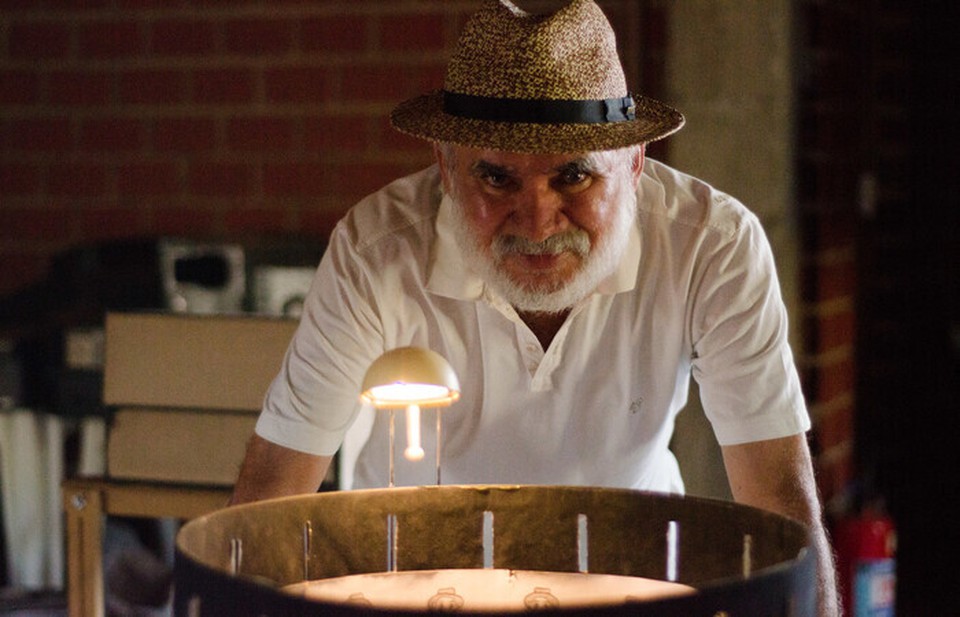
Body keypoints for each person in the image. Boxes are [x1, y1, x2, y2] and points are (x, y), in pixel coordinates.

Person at [231, 0, 840, 614]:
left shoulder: (712, 244)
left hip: (630, 583)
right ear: (444, 166)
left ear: (634, 165)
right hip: (417, 587)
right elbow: (270, 505)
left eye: (574, 176)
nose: (539, 221)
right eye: (497, 179)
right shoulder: (374, 253)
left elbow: (779, 504)